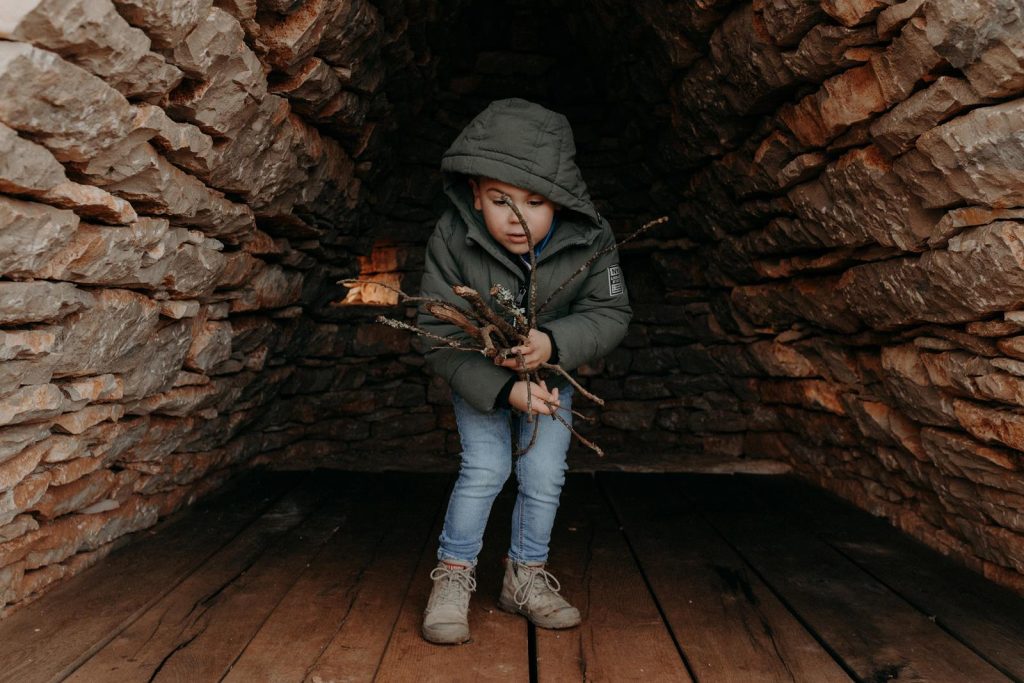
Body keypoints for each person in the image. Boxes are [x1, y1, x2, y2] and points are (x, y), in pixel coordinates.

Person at [417, 98, 632, 645]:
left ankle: (525, 577)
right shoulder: (452, 235)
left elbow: (610, 311)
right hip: (483, 379)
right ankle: (454, 575)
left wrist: (554, 342)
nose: (518, 218)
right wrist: (501, 388)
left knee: (543, 476)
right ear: (474, 194)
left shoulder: (591, 236)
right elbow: (437, 330)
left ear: (560, 199)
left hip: (552, 381)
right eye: (499, 200)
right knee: (485, 469)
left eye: (536, 202)